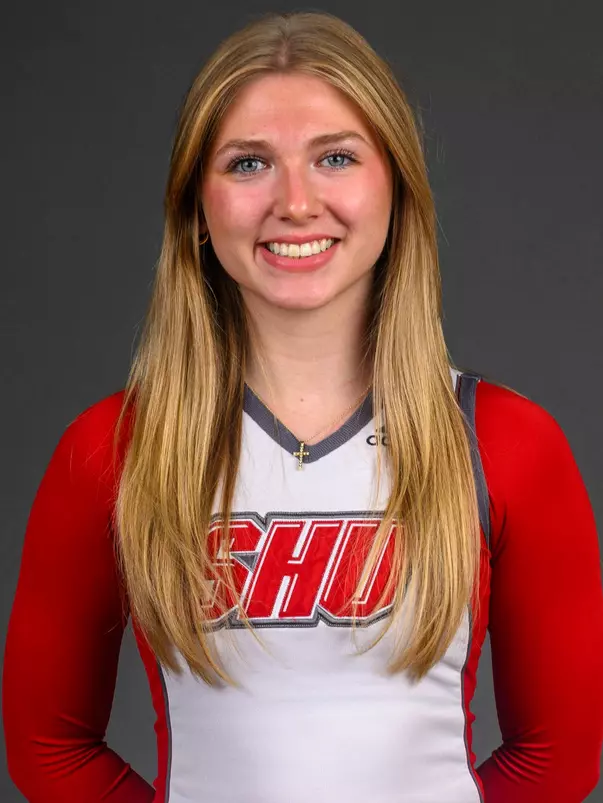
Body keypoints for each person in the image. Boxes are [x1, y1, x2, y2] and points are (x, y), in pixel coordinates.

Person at [3, 10, 603, 803]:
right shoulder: (114, 449)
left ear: (397, 186)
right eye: (249, 163)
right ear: (196, 210)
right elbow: (50, 747)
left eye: (335, 157)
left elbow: (556, 757)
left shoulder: (507, 443)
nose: (294, 202)